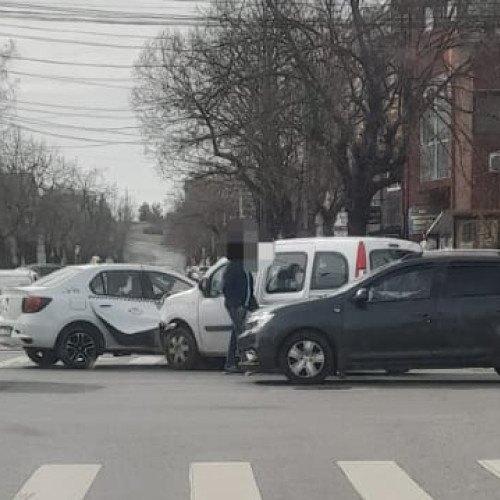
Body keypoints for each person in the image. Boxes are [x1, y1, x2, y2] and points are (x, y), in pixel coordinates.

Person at [222, 242, 254, 374]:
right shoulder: (240, 266)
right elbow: (246, 288)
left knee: (237, 334)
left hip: (235, 304)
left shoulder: (232, 266)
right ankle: (243, 363)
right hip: (238, 306)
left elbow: (225, 288)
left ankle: (231, 363)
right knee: (241, 334)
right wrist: (242, 305)